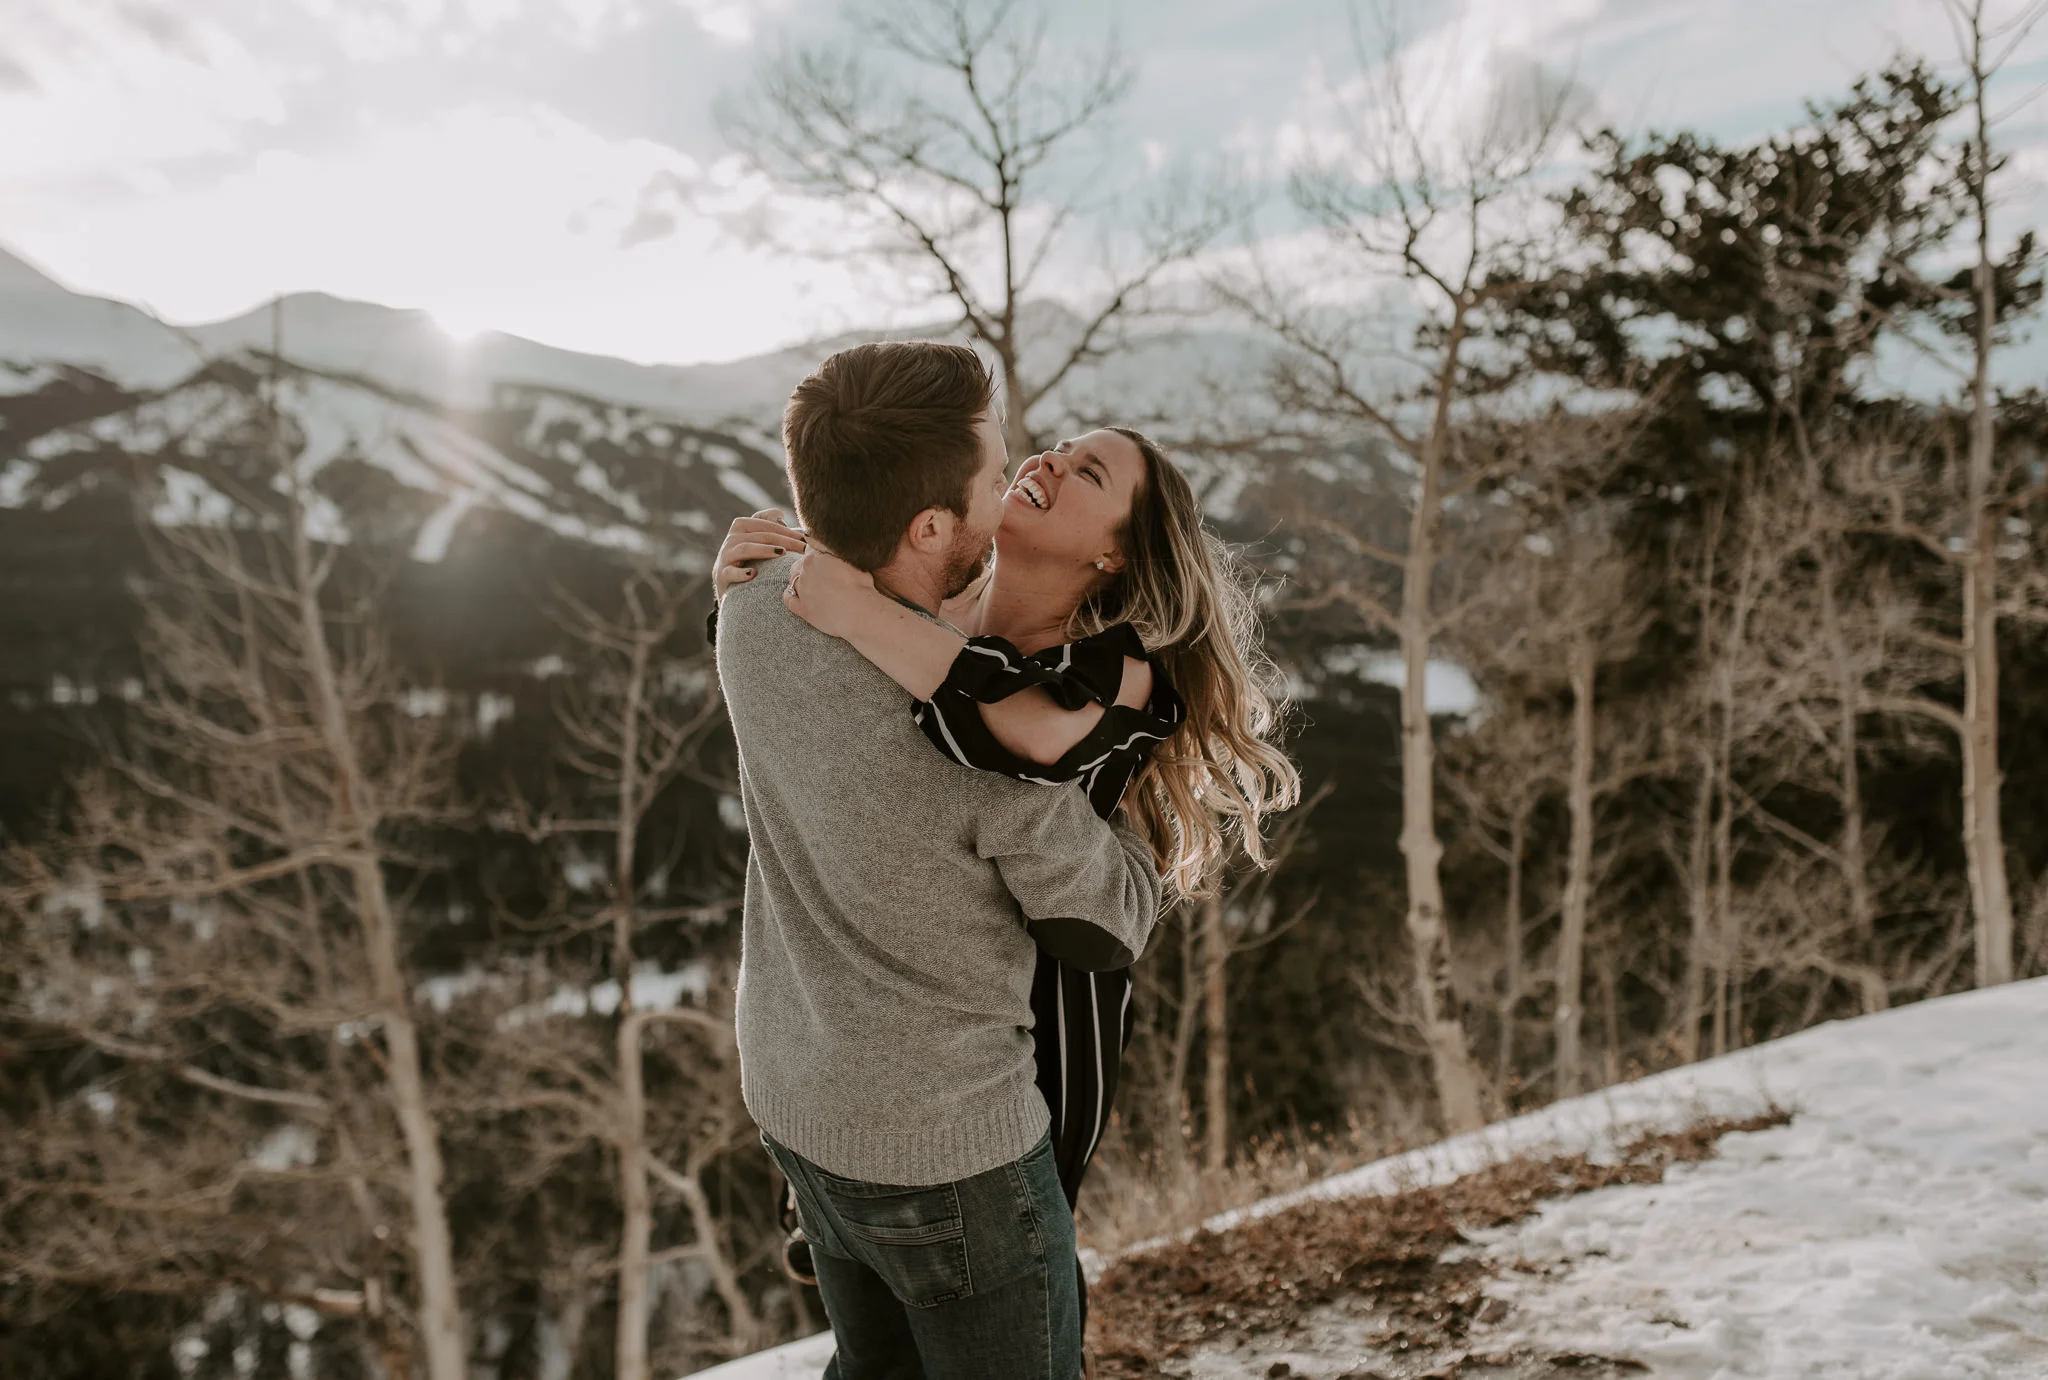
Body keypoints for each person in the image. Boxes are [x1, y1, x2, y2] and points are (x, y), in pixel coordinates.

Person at [716, 403, 1301, 1355]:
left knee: (1020, 1227)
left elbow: (1002, 733)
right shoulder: (928, 612)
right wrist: (752, 587)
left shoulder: (1124, 671)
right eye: (1063, 448)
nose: (1054, 462)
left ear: (1115, 555)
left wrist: (850, 606)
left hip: (1042, 1008)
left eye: (1092, 476)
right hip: (853, 1041)